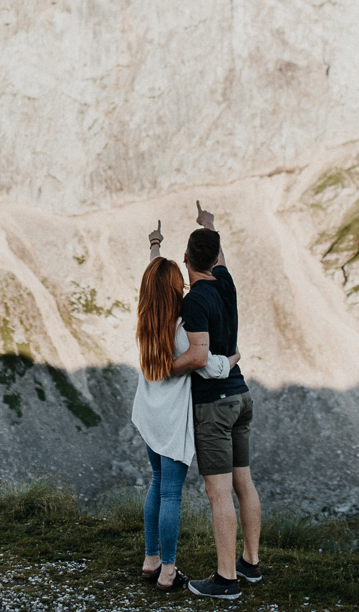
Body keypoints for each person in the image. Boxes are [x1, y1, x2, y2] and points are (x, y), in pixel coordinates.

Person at [131, 220, 239, 592]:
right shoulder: (180, 327)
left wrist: (155, 245)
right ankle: (168, 570)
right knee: (171, 492)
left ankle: (150, 559)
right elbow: (206, 363)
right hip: (173, 419)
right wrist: (234, 359)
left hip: (147, 413)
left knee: (157, 482)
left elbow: (153, 279)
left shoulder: (147, 319)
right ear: (175, 288)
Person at [170, 202, 262, 600]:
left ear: (186, 259)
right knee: (244, 483)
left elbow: (198, 357)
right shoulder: (226, 284)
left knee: (218, 492)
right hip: (241, 396)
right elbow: (218, 254)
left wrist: (165, 368)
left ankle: (226, 580)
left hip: (214, 404)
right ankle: (250, 563)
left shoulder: (194, 301)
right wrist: (209, 224)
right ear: (215, 258)